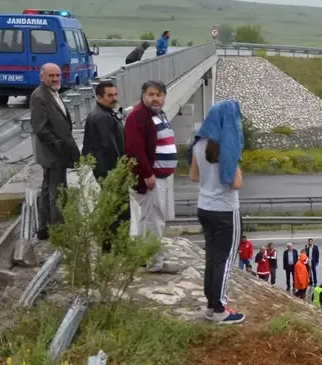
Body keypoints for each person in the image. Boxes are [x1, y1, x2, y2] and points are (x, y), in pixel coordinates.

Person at [190, 99, 247, 324]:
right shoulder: (228, 145)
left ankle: (211, 306)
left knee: (212, 257)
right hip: (225, 209)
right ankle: (221, 308)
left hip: (205, 207)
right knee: (226, 260)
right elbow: (235, 182)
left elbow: (194, 176)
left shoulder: (198, 145)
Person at [124, 79, 177, 271]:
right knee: (154, 220)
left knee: (147, 218)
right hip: (151, 178)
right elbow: (134, 148)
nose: (155, 98)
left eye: (159, 95)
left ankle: (145, 257)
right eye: (151, 94)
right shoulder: (138, 116)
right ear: (143, 95)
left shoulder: (156, 114)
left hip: (159, 176)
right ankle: (155, 263)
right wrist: (146, 174)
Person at [30, 63, 80, 240]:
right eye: (51, 76)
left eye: (57, 75)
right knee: (57, 191)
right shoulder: (39, 96)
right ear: (42, 77)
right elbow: (41, 128)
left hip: (57, 152)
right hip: (53, 153)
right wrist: (59, 146)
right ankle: (58, 230)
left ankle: (44, 228)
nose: (55, 79)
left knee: (48, 188)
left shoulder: (53, 93)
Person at [82, 80, 123, 179]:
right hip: (108, 169)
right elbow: (109, 145)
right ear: (99, 98)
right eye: (110, 96)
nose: (114, 98)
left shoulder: (102, 113)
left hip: (102, 167)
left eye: (115, 95)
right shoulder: (102, 117)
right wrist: (119, 167)